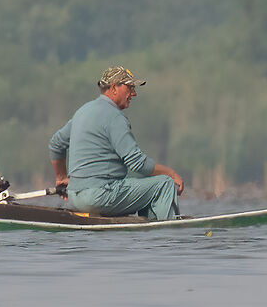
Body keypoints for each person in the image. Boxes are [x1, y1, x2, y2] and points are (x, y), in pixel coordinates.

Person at [48, 66, 185, 220]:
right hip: (99, 197)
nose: (134, 93)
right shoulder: (115, 117)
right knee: (164, 184)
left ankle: (148, 224)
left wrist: (61, 177)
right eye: (130, 88)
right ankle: (163, 231)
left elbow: (56, 144)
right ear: (114, 88)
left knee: (142, 185)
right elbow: (137, 163)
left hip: (75, 198)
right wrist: (171, 174)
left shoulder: (82, 111)